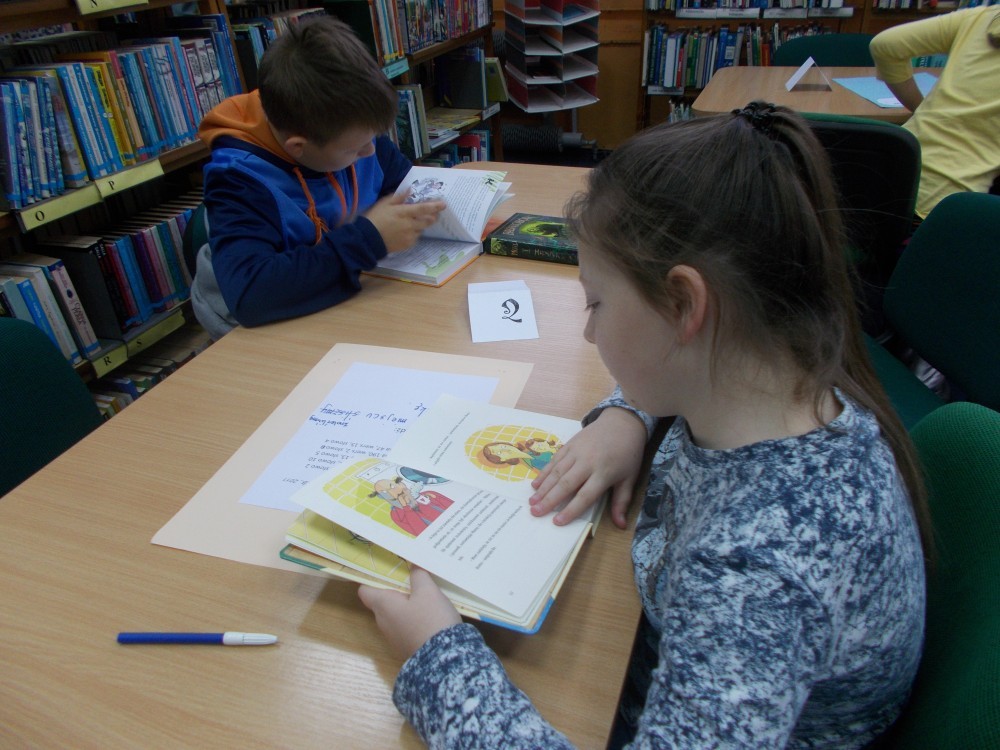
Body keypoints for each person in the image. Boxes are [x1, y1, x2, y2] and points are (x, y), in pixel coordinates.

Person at [357, 103, 932, 748]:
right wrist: (627, 413)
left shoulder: (755, 570)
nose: (588, 331)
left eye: (597, 303)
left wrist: (437, 657)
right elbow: (682, 360)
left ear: (684, 304)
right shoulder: (782, 366)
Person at [190, 16, 445, 340]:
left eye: (374, 137)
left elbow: (401, 184)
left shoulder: (346, 125)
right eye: (355, 149)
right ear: (299, 146)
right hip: (261, 327)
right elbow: (251, 295)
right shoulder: (239, 181)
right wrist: (370, 238)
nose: (371, 151)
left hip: (344, 297)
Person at [870, 6, 1000, 219]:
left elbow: (886, 45)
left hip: (889, 172)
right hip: (943, 204)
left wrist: (923, 110)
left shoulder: (982, 18)